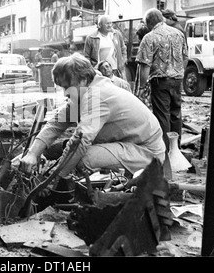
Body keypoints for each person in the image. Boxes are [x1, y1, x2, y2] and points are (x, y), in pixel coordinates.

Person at [19, 53, 166, 187]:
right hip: (134, 145)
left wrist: (53, 179)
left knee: (83, 158)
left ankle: (125, 184)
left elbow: (80, 142)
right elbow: (57, 124)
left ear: (82, 80)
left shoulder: (96, 96)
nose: (65, 93)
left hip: (146, 153)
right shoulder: (87, 87)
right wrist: (32, 153)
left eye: (67, 87)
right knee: (68, 152)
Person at [136, 8, 188, 152]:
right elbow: (185, 57)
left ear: (148, 23)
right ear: (162, 19)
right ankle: (175, 149)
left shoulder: (149, 37)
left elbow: (145, 65)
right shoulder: (178, 34)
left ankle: (164, 151)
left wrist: (141, 87)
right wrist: (180, 74)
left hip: (160, 81)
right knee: (176, 114)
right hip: (177, 80)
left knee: (162, 115)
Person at [84, 15, 128, 80]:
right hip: (99, 73)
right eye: (107, 23)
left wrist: (122, 62)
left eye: (111, 23)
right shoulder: (91, 38)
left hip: (116, 71)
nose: (110, 25)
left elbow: (123, 49)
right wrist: (92, 70)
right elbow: (86, 56)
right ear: (100, 25)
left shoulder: (117, 34)